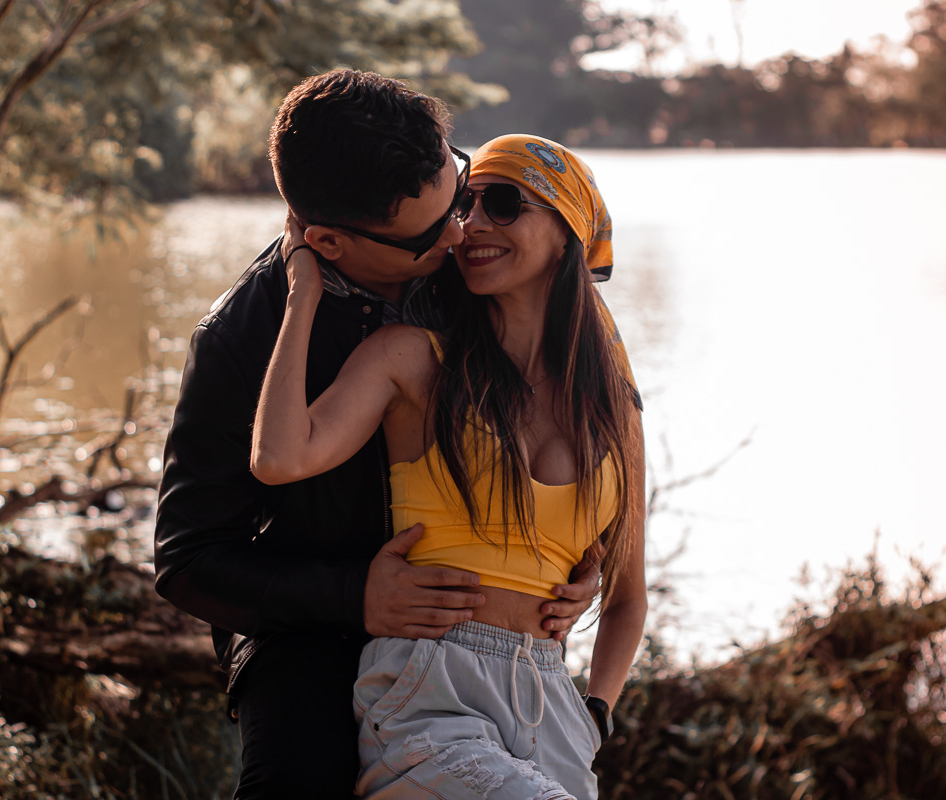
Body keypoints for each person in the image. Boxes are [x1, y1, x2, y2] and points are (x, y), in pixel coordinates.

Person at [153, 71, 601, 799]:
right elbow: (187, 559)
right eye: (434, 231)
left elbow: (571, 407)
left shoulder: (475, 266)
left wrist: (580, 559)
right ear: (326, 240)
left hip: (472, 635)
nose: (465, 229)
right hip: (311, 634)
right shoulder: (240, 338)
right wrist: (355, 596)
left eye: (461, 189)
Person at [251, 134, 647, 800]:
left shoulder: (613, 411)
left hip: (553, 705)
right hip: (432, 694)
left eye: (503, 203)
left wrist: (595, 715)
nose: (474, 225)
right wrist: (301, 293)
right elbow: (279, 458)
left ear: (565, 232)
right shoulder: (411, 360)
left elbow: (627, 596)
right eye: (466, 205)